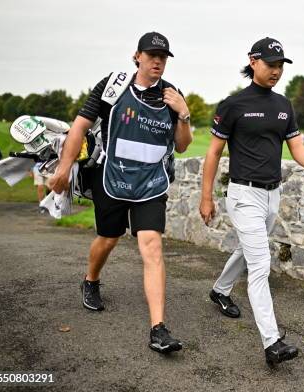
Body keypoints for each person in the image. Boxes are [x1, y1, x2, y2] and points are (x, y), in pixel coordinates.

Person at [48, 32, 192, 353]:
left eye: (163, 57)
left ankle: (158, 329)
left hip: (152, 183)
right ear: (137, 56)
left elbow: (182, 146)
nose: (158, 61)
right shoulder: (112, 85)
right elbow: (80, 127)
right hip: (112, 178)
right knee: (109, 238)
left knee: (151, 246)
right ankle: (91, 279)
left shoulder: (172, 95)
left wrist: (183, 114)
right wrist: (63, 168)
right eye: (152, 55)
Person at [199, 37, 304, 367]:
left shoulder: (284, 105)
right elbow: (213, 152)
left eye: (281, 65)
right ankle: (272, 342)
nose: (277, 71)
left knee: (247, 249)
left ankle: (220, 291)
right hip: (243, 195)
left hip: (272, 194)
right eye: (271, 64)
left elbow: (295, 145)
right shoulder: (233, 105)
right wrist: (206, 196)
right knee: (260, 265)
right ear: (253, 61)